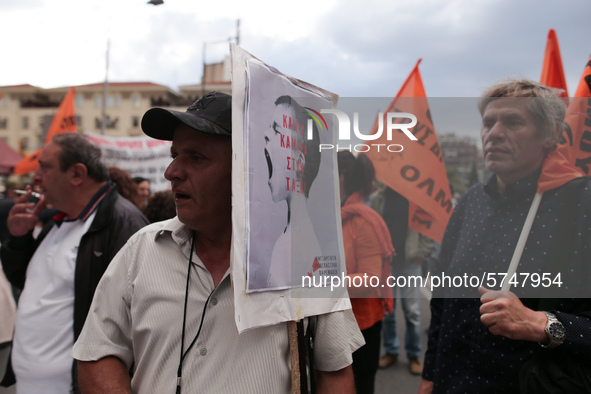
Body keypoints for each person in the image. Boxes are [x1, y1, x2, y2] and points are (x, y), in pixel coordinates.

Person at [72, 91, 364, 394]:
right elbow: (98, 352)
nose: (171, 172)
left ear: (245, 170)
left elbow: (335, 372)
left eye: (196, 157)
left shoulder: (306, 258)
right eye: (175, 155)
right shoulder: (141, 250)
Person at [419, 79, 591, 393]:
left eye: (512, 122)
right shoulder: (470, 202)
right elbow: (442, 300)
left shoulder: (580, 206)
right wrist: (430, 374)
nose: (494, 133)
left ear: (550, 134)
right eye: (488, 123)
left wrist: (541, 324)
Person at [0, 132, 149, 393]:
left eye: (45, 167)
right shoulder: (59, 222)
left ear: (77, 174)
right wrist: (18, 239)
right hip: (29, 383)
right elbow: (28, 283)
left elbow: (133, 319)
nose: (35, 177)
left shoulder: (122, 223)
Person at [338, 151, 394, 394]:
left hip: (362, 325)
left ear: (340, 178)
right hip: (339, 320)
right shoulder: (338, 216)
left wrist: (320, 283)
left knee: (360, 387)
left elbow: (370, 278)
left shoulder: (362, 221)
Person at [263, 95, 323, 289]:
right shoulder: (297, 236)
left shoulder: (294, 245)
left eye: (276, 130)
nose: (266, 134)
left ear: (298, 161)